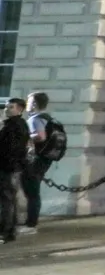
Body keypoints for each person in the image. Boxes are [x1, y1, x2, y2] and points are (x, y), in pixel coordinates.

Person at [18, 91, 52, 234]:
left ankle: (31, 225)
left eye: (29, 101)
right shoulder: (48, 118)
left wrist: (26, 135)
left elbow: (41, 136)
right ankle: (31, 221)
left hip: (35, 159)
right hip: (45, 158)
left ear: (34, 104)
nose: (26, 103)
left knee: (31, 192)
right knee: (33, 191)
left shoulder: (34, 119)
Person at [0, 98, 27, 242]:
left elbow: (9, 148)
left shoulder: (12, 126)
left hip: (8, 168)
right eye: (6, 106)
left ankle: (6, 231)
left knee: (7, 200)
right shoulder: (18, 124)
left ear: (19, 109)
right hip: (13, 167)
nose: (6, 109)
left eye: (11, 107)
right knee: (10, 200)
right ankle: (9, 231)